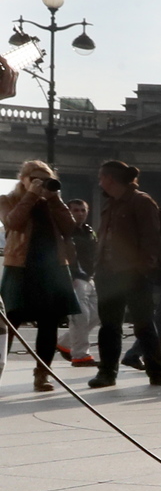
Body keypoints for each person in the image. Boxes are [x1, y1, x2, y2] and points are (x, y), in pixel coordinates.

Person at [88, 161, 161, 388]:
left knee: (144, 325)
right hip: (108, 273)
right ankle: (106, 373)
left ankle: (157, 373)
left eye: (101, 177)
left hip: (134, 274)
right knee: (109, 326)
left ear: (109, 179)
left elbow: (151, 239)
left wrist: (143, 269)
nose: (99, 182)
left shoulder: (141, 201)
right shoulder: (110, 204)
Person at [3, 160, 81, 391]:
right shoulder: (8, 200)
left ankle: (43, 374)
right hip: (20, 268)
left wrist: (54, 199)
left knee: (49, 324)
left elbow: (69, 228)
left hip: (52, 269)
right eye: (35, 178)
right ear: (23, 179)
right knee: (8, 323)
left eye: (44, 178)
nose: (40, 183)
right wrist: (31, 196)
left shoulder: (54, 203)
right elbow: (13, 222)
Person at [61, 198, 99, 368]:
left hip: (90, 277)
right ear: (68, 212)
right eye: (75, 210)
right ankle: (80, 355)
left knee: (97, 314)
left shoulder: (89, 231)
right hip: (74, 277)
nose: (80, 213)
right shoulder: (64, 230)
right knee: (81, 316)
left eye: (83, 210)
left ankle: (65, 342)